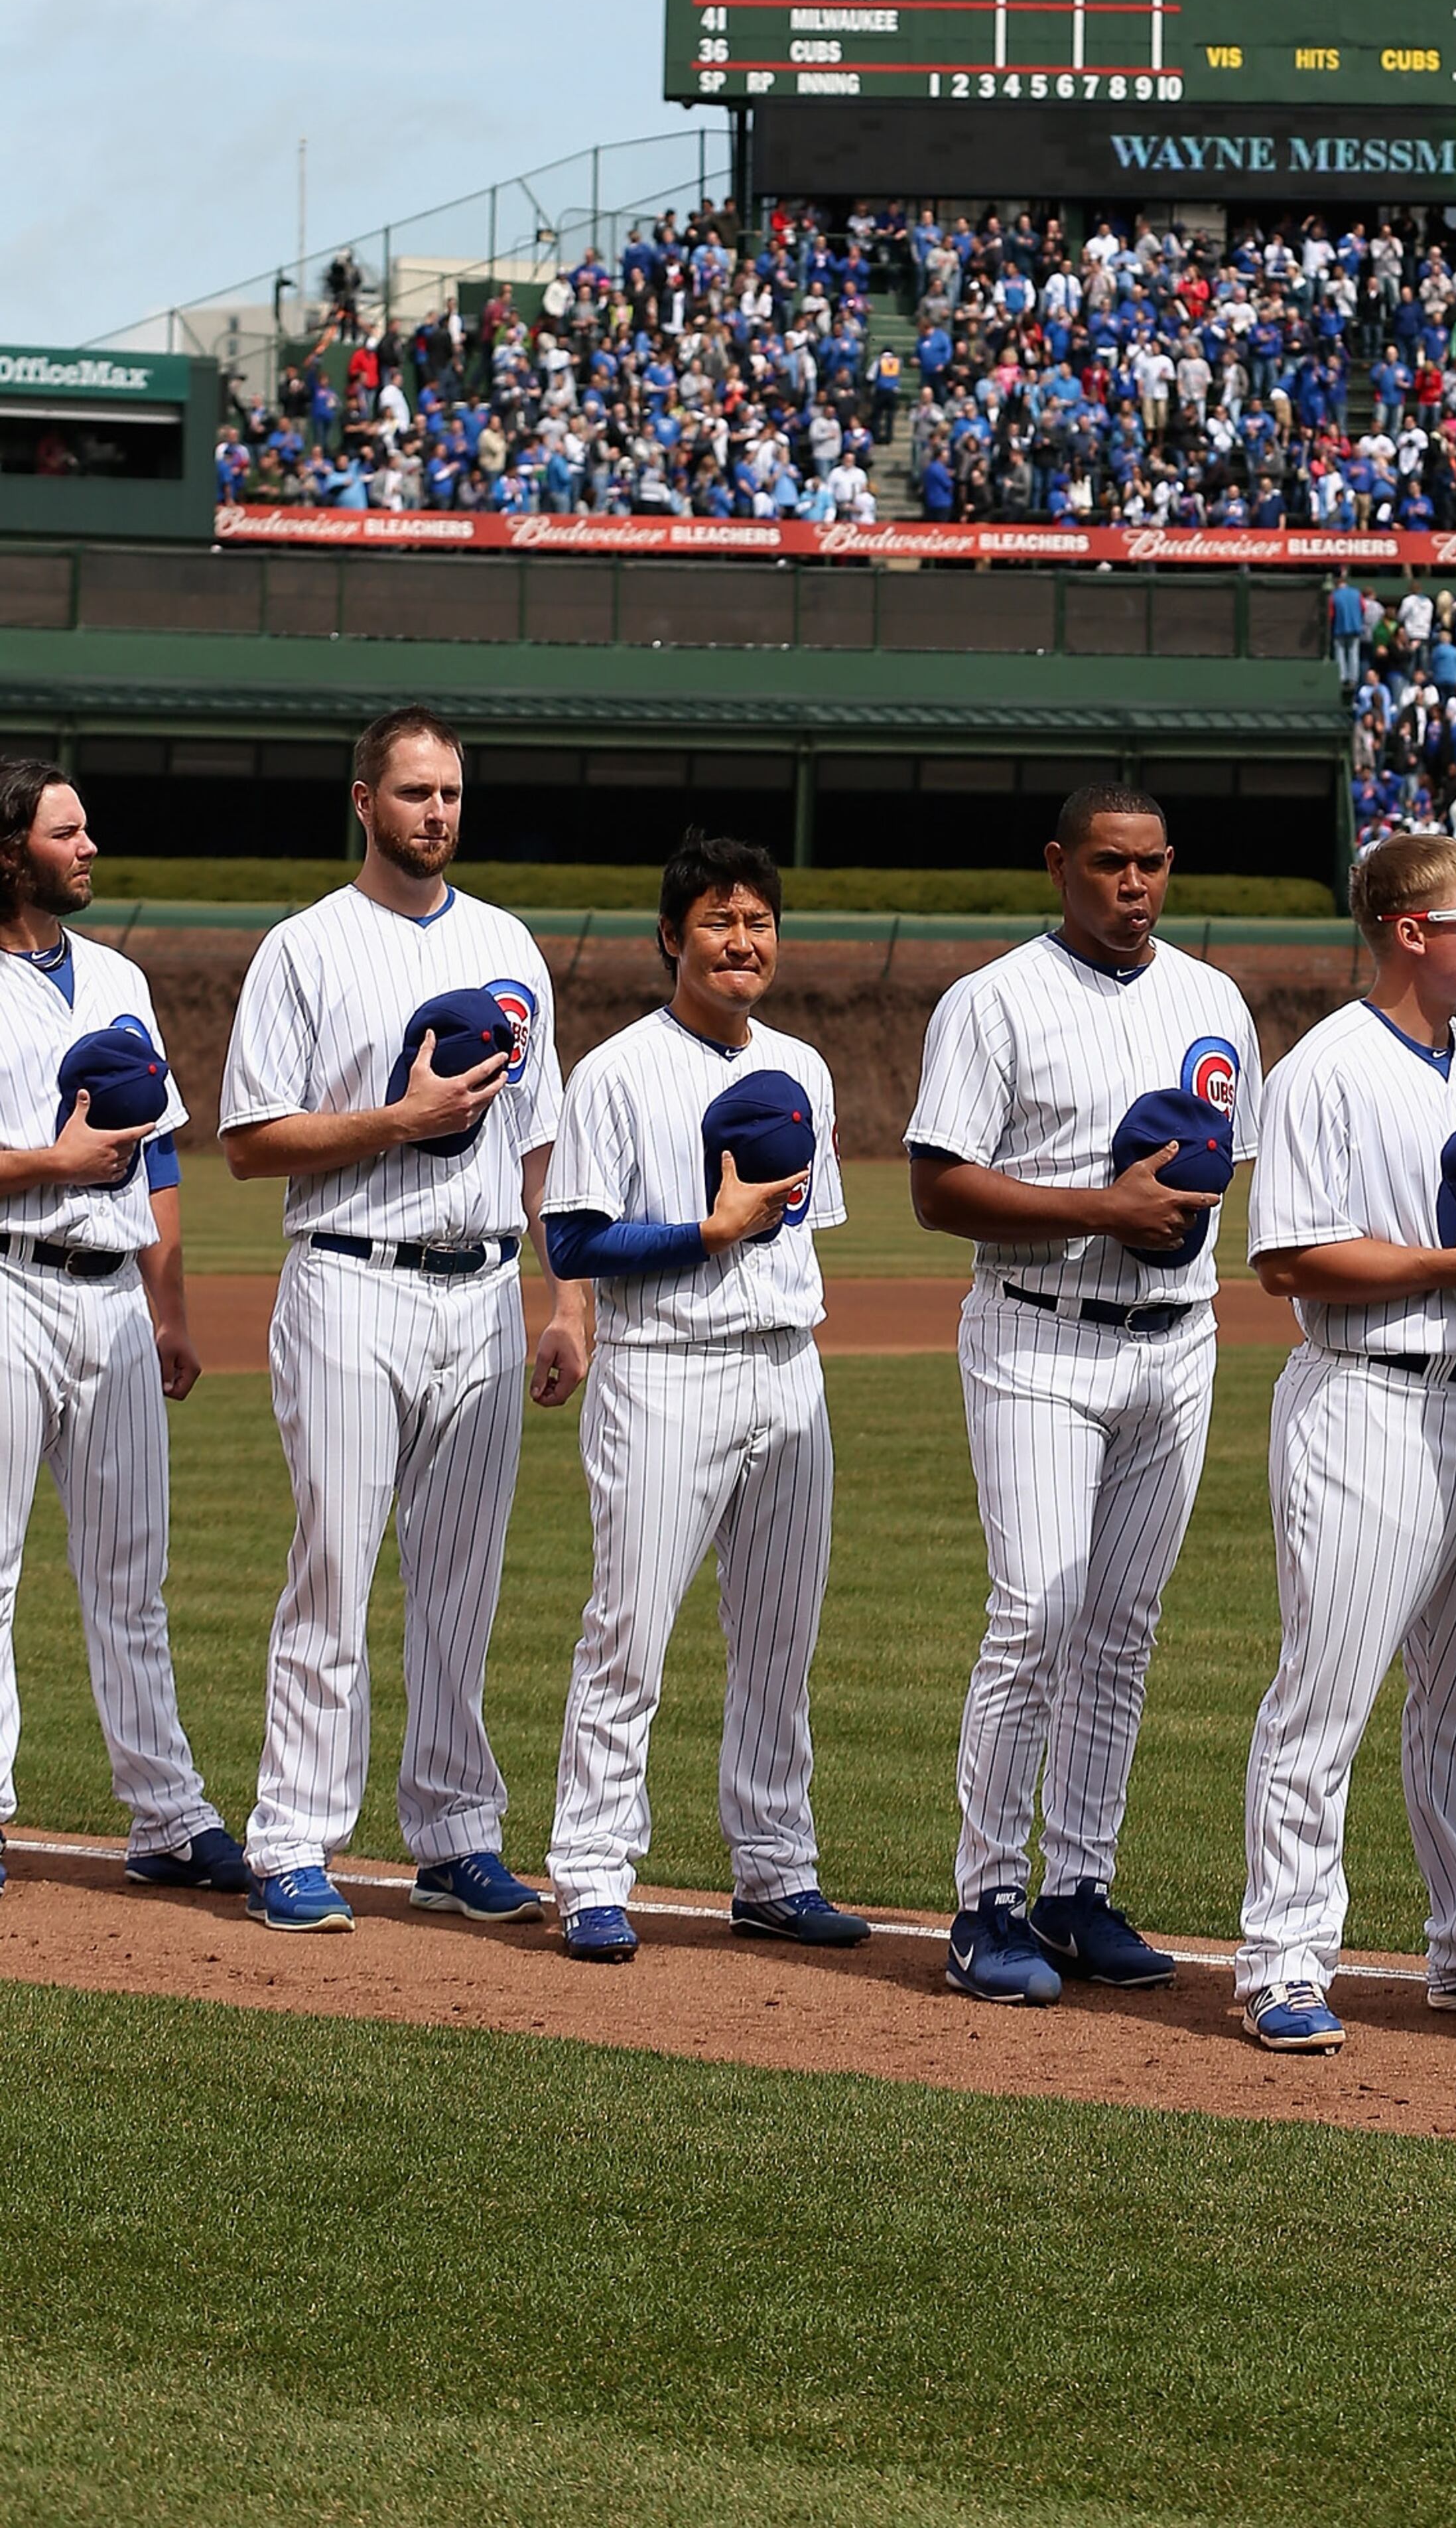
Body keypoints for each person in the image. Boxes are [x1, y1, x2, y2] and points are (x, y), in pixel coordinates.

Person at [220, 707, 583, 1931]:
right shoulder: (306, 948)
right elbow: (250, 1141)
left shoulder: (509, 945)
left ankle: (454, 1831)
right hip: (349, 1280)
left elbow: (544, 1146)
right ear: (364, 800)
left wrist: (565, 1298)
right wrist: (397, 1123)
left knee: (462, 1576)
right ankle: (292, 1838)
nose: (436, 813)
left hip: (482, 1289)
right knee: (338, 1561)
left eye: (453, 794)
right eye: (415, 792)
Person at [906, 784, 1260, 2004]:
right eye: (1110, 865)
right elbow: (939, 1189)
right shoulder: (993, 1001)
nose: (1134, 888)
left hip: (1178, 1340)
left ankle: (1078, 1889)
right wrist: (1097, 1210)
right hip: (1038, 1335)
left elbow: (1225, 1167)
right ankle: (985, 1901)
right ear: (1060, 865)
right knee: (1037, 1618)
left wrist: (1154, 1222)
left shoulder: (1213, 1002)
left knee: (1122, 1627)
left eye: (1153, 866)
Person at [1234, 831, 1456, 2052]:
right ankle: (1282, 1957)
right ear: (1411, 932)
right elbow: (1288, 1258)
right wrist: (1452, 1265)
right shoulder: (1324, 1071)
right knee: (1326, 1695)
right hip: (1368, 1401)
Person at [541, 832, 865, 1966]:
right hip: (666, 1371)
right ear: (672, 938)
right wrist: (704, 1232)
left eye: (760, 921)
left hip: (788, 1370)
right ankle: (589, 1874)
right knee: (629, 1635)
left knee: (781, 1640)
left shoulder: (805, 1068)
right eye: (720, 922)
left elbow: (803, 1237)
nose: (743, 941)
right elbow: (575, 1237)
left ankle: (776, 1870)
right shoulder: (617, 1071)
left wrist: (744, 1247)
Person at [0, 762, 247, 1896]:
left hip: (112, 1302)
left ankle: (168, 1816)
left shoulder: (118, 977)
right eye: (68, 829)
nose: (91, 844)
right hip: (7, 1284)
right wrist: (52, 1162)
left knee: (130, 1571)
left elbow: (154, 1149)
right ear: (11, 853)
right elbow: (78, 1154)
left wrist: (172, 1307)